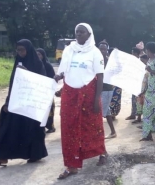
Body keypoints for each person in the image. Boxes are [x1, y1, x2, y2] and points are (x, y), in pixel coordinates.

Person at [54, 23, 107, 179]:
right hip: (69, 94)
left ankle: (101, 151)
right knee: (68, 128)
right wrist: (58, 76)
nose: (78, 35)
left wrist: (97, 99)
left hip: (88, 94)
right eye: (77, 32)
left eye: (82, 32)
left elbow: (100, 77)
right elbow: (63, 70)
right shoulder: (69, 50)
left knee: (92, 126)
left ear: (89, 34)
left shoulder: (95, 52)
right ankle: (71, 165)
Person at [0, 39, 48, 166]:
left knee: (32, 130)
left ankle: (34, 155)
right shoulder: (18, 62)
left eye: (22, 50)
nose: (20, 53)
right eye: (18, 50)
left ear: (28, 50)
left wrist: (26, 73)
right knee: (8, 126)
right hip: (17, 102)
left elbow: (42, 84)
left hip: (32, 104)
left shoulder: (37, 64)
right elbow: (13, 84)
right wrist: (8, 101)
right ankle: (2, 157)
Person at [98, 41, 117, 139]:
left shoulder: (109, 62)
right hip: (100, 90)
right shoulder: (97, 60)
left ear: (107, 50)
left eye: (104, 49)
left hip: (106, 90)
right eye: (101, 49)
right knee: (107, 112)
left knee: (99, 113)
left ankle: (98, 135)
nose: (102, 51)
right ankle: (113, 132)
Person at [36, 48, 56, 133]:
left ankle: (50, 126)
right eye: (36, 55)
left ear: (43, 55)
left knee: (48, 110)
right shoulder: (34, 65)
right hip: (37, 91)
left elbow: (53, 78)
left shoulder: (47, 65)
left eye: (39, 55)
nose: (38, 56)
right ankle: (40, 127)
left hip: (47, 90)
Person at [126, 47, 141, 121]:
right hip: (134, 83)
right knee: (134, 99)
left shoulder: (139, 62)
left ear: (136, 54)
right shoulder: (134, 61)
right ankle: (134, 114)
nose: (132, 54)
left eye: (132, 53)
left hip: (138, 84)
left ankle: (137, 115)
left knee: (138, 100)